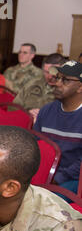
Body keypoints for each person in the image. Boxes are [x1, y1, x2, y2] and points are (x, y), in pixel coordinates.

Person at [33, 60, 82, 197]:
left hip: (71, 179)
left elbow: (80, 165)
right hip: (42, 174)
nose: (58, 83)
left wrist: (57, 179)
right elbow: (35, 146)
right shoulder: (47, 110)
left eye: (65, 80)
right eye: (58, 78)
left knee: (44, 201)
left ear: (80, 87)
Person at [13, 53, 67, 121]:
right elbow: (13, 107)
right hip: (26, 124)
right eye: (46, 72)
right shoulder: (32, 84)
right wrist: (27, 113)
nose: (49, 77)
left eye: (53, 72)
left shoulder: (68, 89)